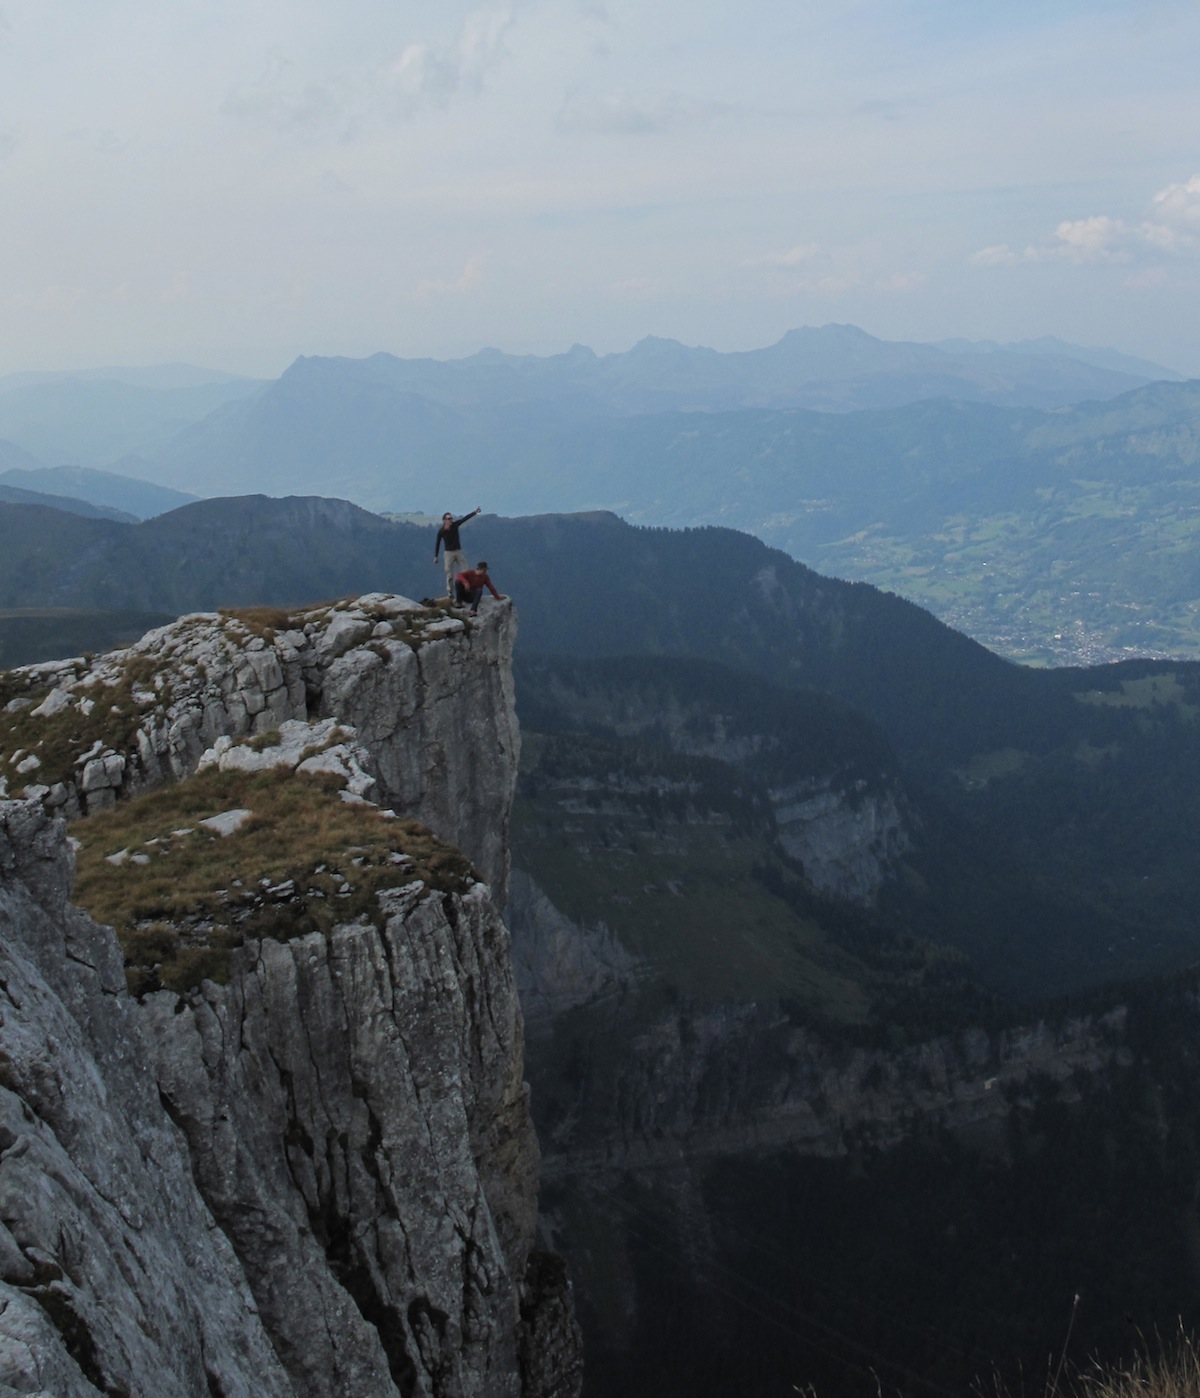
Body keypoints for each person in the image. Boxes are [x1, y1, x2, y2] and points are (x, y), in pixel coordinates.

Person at [434, 508, 482, 598]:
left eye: (451, 518)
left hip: (458, 551)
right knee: (449, 574)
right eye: (449, 519)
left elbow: (465, 519)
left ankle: (466, 589)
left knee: (466, 571)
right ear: (444, 520)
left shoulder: (455, 525)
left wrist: (474, 512)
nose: (451, 520)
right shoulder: (441, 531)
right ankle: (450, 592)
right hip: (448, 553)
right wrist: (436, 556)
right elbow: (438, 543)